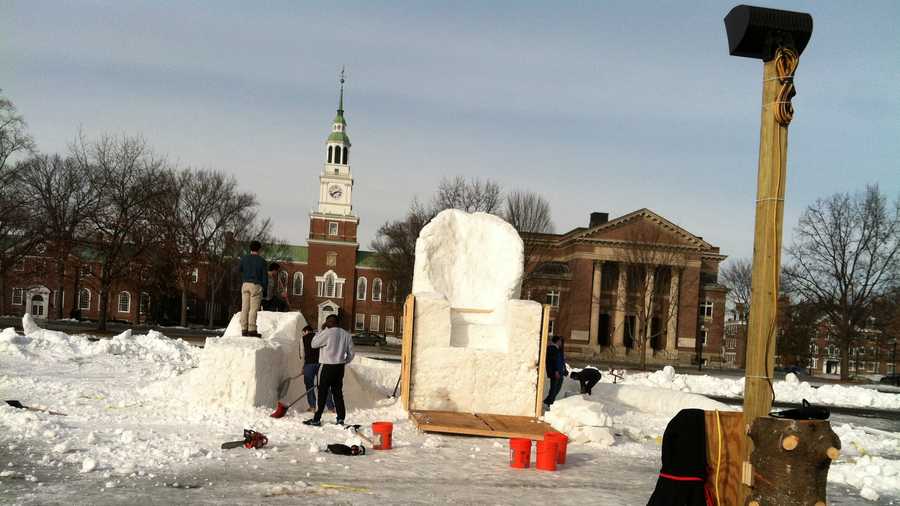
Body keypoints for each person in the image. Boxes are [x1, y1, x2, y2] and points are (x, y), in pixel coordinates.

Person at [304, 314, 354, 426]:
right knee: (338, 393)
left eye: (327, 323)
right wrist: (344, 361)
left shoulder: (326, 332)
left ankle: (316, 419)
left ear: (328, 323)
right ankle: (340, 418)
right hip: (339, 368)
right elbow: (351, 354)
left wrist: (321, 331)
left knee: (322, 392)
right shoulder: (346, 334)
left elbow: (313, 344)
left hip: (326, 366)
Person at [301, 325, 334, 412]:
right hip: (321, 363)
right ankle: (331, 407)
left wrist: (303, 366)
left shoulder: (302, 339)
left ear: (306, 331)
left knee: (309, 385)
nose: (303, 334)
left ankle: (312, 407)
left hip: (309, 365)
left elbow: (302, 354)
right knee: (324, 385)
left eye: (303, 332)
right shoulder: (319, 336)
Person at [239, 240, 267, 337]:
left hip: (245, 284)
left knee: (244, 307)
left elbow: (240, 269)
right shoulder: (262, 261)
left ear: (250, 248)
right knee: (253, 308)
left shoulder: (244, 259)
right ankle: (252, 329)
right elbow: (264, 277)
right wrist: (265, 290)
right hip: (256, 285)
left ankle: (243, 328)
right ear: (259, 249)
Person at [543, 335, 566, 408]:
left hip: (560, 371)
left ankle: (548, 401)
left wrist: (564, 369)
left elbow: (561, 361)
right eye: (560, 341)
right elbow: (552, 361)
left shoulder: (558, 349)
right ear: (557, 341)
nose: (561, 342)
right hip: (555, 372)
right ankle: (548, 403)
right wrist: (556, 371)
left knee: (557, 388)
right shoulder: (551, 348)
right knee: (554, 388)